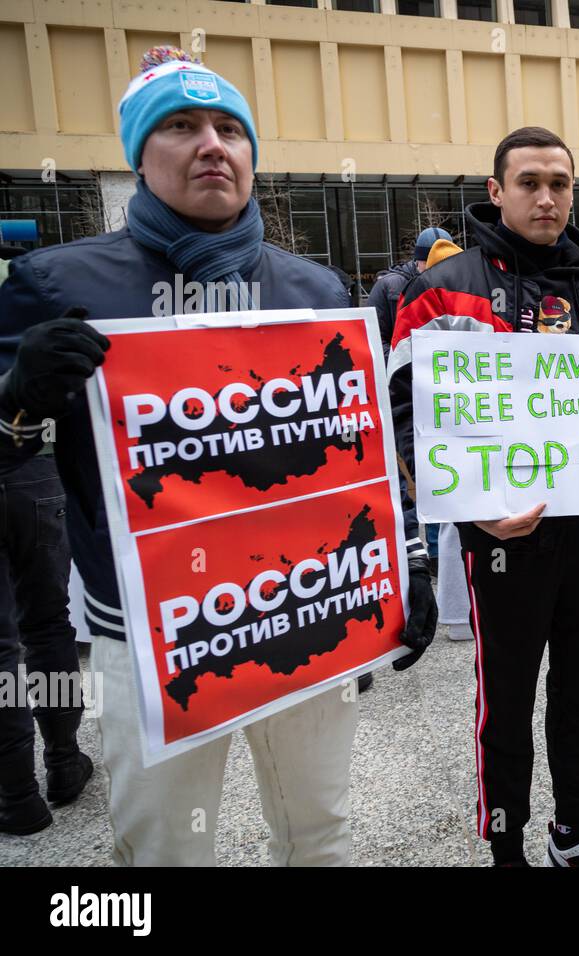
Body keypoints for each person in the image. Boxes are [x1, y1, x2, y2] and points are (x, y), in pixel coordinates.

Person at [0, 47, 436, 864]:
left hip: (304, 607)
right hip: (153, 633)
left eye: (231, 128)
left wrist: (402, 561)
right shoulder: (53, 281)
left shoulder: (311, 288)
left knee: (321, 834)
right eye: (181, 126)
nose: (212, 145)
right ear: (139, 154)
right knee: (163, 851)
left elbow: (361, 446)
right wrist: (15, 402)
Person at [389, 126, 579, 867]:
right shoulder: (442, 287)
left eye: (559, 183)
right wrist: (467, 509)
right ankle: (507, 846)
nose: (546, 197)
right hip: (503, 538)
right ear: (496, 191)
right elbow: (403, 413)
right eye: (529, 182)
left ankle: (577, 828)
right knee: (504, 701)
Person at [0, 247, 93, 837]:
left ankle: (16, 795)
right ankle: (62, 759)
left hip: (22, 454)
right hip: (31, 472)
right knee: (46, 624)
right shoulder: (26, 280)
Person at [368, 227, 451, 356]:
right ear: (418, 260)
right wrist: (404, 365)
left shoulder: (456, 285)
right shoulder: (388, 286)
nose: (436, 268)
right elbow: (375, 339)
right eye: (429, 262)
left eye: (443, 263)